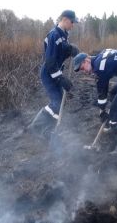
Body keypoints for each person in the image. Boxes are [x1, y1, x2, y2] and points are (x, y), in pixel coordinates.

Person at [29, 10, 79, 138]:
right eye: (72, 22)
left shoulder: (63, 35)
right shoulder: (54, 35)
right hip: (49, 73)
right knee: (56, 101)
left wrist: (70, 50)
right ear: (65, 19)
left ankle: (48, 129)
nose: (73, 25)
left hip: (56, 73)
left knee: (60, 101)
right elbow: (50, 61)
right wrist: (61, 79)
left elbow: (61, 52)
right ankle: (35, 127)